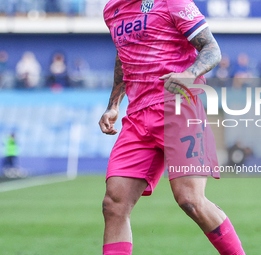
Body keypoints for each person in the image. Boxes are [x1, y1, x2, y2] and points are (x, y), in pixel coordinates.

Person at [99, 0, 245, 254]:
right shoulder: (112, 9)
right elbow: (123, 56)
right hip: (137, 117)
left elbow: (212, 49)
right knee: (114, 204)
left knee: (190, 201)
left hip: (179, 108)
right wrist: (113, 104)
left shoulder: (172, 2)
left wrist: (190, 74)